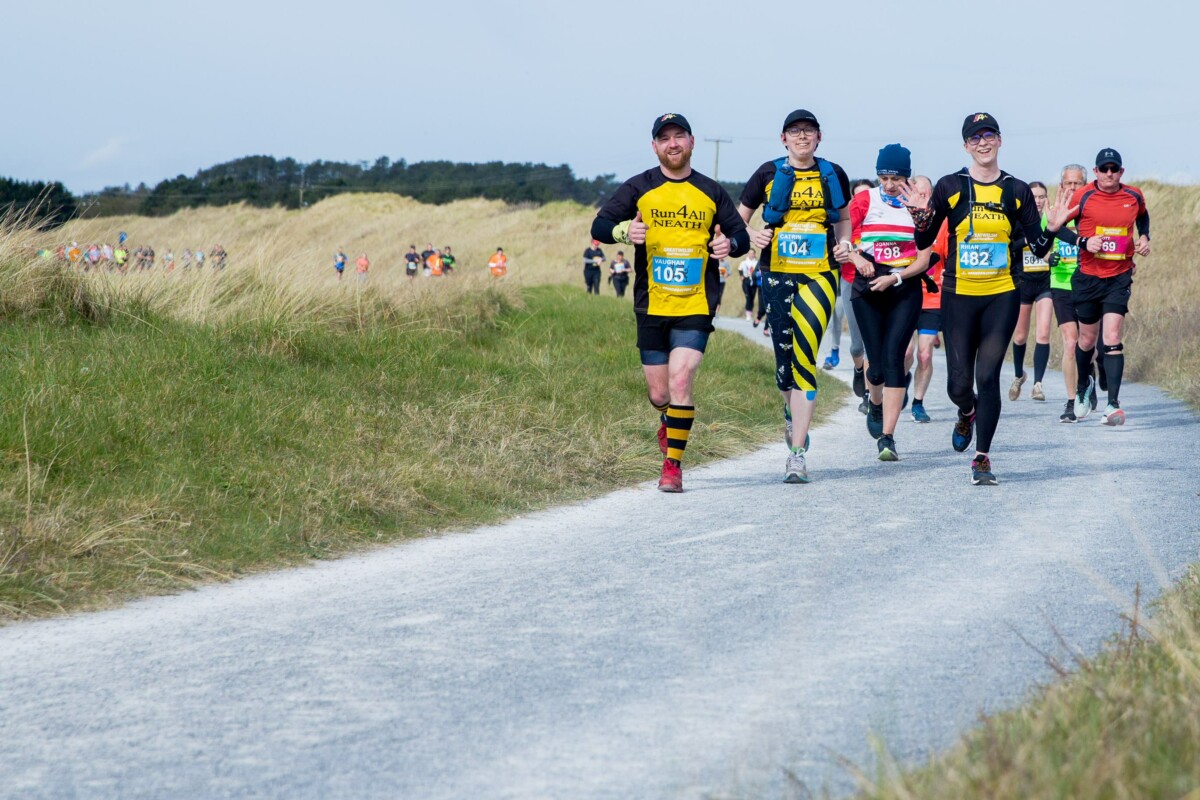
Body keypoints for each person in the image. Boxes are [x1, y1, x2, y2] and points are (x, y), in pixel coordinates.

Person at [591, 112, 749, 492]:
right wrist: (624, 230)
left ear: (691, 143)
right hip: (651, 303)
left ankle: (673, 467)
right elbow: (599, 227)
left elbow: (741, 236)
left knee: (681, 381)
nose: (673, 144)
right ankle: (670, 422)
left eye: (680, 136)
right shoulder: (638, 187)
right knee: (659, 394)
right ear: (655, 147)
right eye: (665, 139)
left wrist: (730, 245)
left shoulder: (711, 191)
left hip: (696, 302)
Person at [905, 113, 1064, 485]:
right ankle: (966, 412)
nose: (983, 142)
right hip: (958, 295)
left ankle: (982, 457)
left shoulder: (1016, 190)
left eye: (989, 134)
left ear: (1000, 140)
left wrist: (1052, 229)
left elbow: (1039, 248)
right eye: (975, 138)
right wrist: (919, 218)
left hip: (1001, 296)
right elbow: (925, 242)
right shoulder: (950, 186)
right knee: (959, 384)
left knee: (988, 375)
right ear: (966, 146)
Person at [737, 109, 851, 483]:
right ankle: (791, 413)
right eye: (794, 131)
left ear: (819, 137)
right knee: (784, 364)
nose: (802, 137)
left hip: (819, 274)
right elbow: (739, 218)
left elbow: (843, 219)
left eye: (808, 131)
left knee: (806, 356)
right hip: (777, 272)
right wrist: (753, 236)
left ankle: (797, 454)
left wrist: (845, 243)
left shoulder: (833, 173)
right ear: (783, 138)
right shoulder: (767, 173)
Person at [844, 145, 931, 461]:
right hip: (867, 288)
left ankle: (888, 437)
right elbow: (840, 233)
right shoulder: (866, 199)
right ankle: (875, 401)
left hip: (903, 287)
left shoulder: (919, 205)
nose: (890, 184)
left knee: (896, 358)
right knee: (876, 367)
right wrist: (855, 256)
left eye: (895, 177)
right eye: (884, 176)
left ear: (906, 176)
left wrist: (895, 278)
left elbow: (924, 259)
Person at [1054, 148, 1150, 426]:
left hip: (1119, 277)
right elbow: (1057, 228)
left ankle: (1113, 405)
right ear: (1095, 172)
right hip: (1087, 277)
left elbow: (1143, 217)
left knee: (1112, 337)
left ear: (1121, 172)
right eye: (1104, 169)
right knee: (1085, 341)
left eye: (1114, 169)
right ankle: (1084, 385)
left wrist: (1144, 236)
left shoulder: (1133, 195)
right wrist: (1083, 242)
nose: (1109, 174)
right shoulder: (1082, 195)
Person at [902, 175, 948, 423]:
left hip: (933, 296)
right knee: (906, 352)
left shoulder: (943, 222)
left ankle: (918, 403)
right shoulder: (900, 219)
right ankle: (902, 383)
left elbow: (948, 256)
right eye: (918, 193)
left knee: (925, 354)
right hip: (906, 295)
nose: (923, 198)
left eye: (927, 194)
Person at [825, 178, 873, 408]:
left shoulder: (879, 218)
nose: (863, 201)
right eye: (858, 197)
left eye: (868, 195)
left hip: (876, 283)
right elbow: (836, 241)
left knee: (874, 342)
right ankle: (858, 368)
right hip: (850, 281)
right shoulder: (847, 222)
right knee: (857, 345)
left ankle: (870, 397)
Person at [1008, 181, 1054, 402]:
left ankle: (1038, 384)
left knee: (1043, 333)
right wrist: (1028, 240)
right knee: (1019, 335)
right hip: (1023, 281)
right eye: (1034, 197)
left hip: (1045, 282)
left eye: (1042, 197)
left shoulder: (1051, 220)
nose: (1038, 201)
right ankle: (1019, 375)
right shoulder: (1019, 219)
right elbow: (1009, 245)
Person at [1049, 165, 1088, 422]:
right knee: (1070, 343)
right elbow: (1039, 242)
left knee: (1089, 344)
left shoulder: (1091, 212)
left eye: (1077, 184)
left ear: (1085, 185)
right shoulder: (1053, 213)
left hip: (1088, 283)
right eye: (1068, 184)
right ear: (1061, 185)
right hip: (1061, 283)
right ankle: (1071, 401)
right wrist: (1047, 256)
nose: (1072, 188)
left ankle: (1088, 381)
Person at [738, 248, 758, 323]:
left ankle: (750, 312)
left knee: (752, 298)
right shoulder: (744, 262)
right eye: (749, 253)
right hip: (746, 281)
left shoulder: (757, 263)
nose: (751, 255)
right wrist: (741, 276)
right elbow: (739, 269)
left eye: (752, 253)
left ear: (754, 254)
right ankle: (748, 315)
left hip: (754, 281)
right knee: (748, 296)